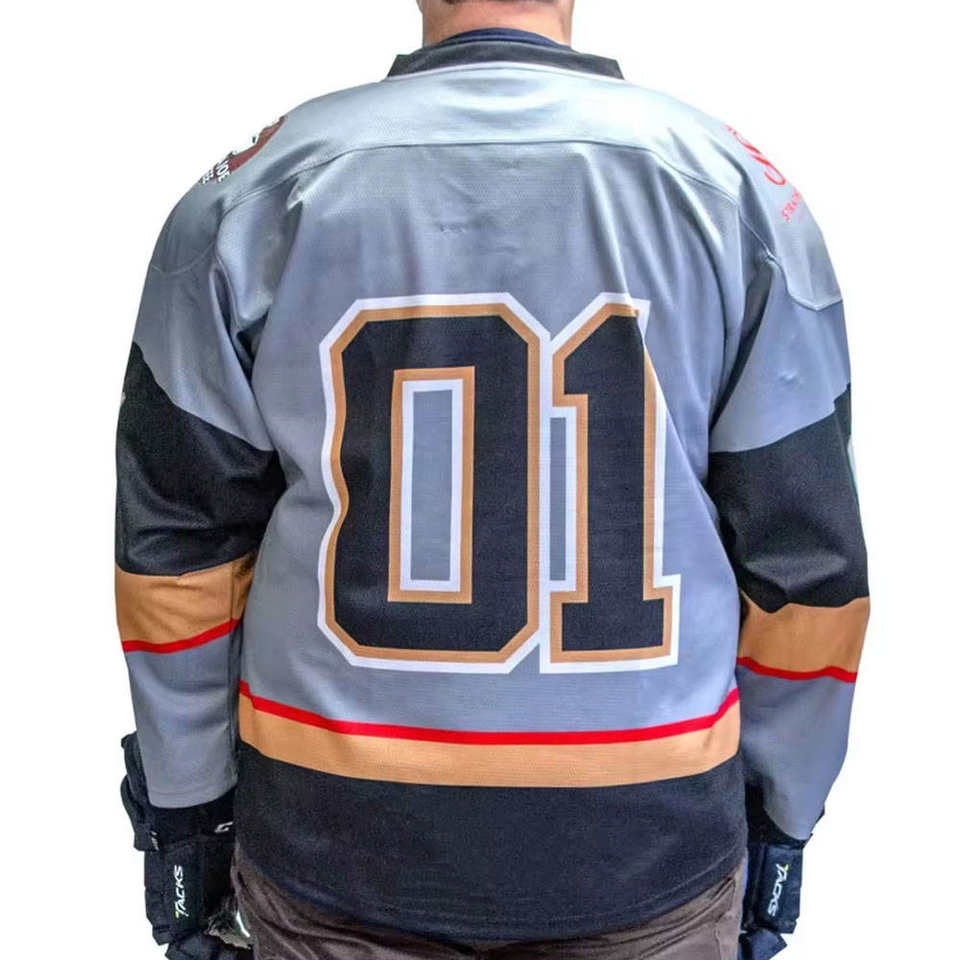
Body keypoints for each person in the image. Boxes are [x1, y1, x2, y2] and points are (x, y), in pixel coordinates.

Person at [114, 2, 869, 958]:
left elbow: (178, 558)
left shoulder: (254, 196)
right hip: (647, 848)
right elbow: (810, 572)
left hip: (336, 846)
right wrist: (782, 818)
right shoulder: (740, 196)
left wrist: (187, 816)